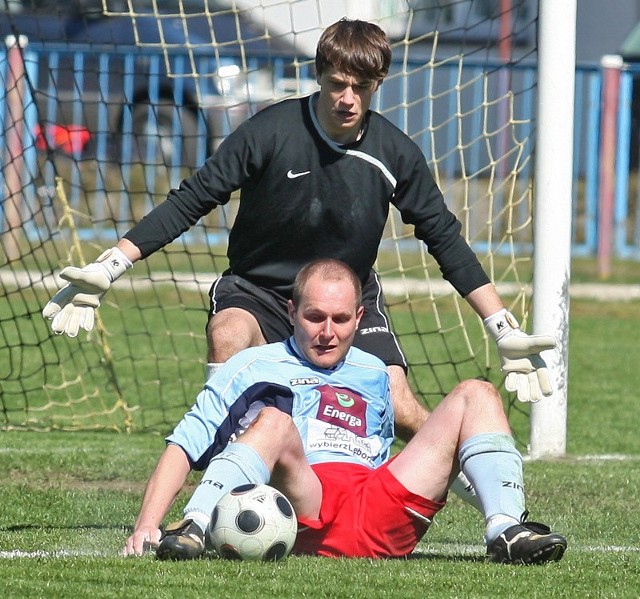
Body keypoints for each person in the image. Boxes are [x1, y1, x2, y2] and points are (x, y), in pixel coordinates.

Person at [42, 18, 556, 440]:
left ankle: (500, 510)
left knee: (399, 407)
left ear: (378, 84)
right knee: (228, 335)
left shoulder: (396, 152)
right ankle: (229, 481)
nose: (348, 98)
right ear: (319, 75)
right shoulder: (269, 130)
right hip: (258, 290)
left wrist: (502, 328)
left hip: (344, 299)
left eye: (361, 86)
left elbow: (444, 237)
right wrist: (111, 266)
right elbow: (192, 199)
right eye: (337, 83)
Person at [122, 259, 566, 564]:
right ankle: (194, 528)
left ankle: (507, 530)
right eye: (315, 317)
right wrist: (146, 525)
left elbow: (399, 455)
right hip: (303, 504)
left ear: (359, 316)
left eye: (340, 319)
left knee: (477, 393)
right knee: (274, 422)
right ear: (291, 311)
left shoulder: (375, 371)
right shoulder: (251, 365)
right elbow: (185, 443)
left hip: (378, 506)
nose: (327, 333)